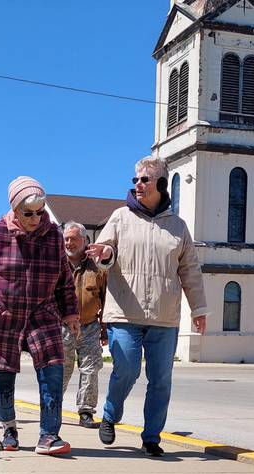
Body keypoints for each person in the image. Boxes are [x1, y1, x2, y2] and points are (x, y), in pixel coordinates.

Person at [88, 155, 208, 457]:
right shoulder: (120, 217)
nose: (137, 184)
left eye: (144, 179)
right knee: (126, 368)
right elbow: (103, 258)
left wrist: (199, 309)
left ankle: (151, 436)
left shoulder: (178, 227)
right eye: (136, 179)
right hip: (124, 312)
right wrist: (104, 254)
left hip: (165, 317)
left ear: (161, 184)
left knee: (161, 380)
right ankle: (111, 414)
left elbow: (190, 270)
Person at [0, 176, 79, 456]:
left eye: (40, 212)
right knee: (2, 377)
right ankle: (9, 429)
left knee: (53, 372)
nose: (35, 218)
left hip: (43, 313)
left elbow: (65, 280)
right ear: (15, 209)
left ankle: (49, 435)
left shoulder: (54, 235)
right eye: (28, 213)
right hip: (4, 313)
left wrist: (71, 313)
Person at [61, 221, 108, 429]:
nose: (69, 243)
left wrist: (105, 329)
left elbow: (107, 298)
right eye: (66, 239)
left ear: (84, 240)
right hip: (61, 327)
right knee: (61, 370)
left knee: (90, 369)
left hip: (89, 326)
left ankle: (86, 411)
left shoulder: (97, 267)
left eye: (73, 239)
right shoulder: (57, 265)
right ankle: (52, 408)